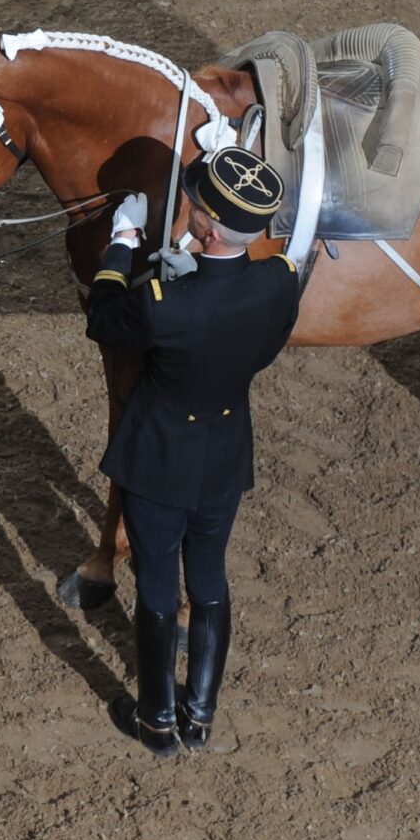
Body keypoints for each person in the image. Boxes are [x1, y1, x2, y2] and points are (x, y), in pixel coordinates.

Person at [85, 147, 305, 757]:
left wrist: (124, 243)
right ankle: (200, 715)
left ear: (204, 225)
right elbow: (265, 344)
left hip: (158, 460)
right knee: (208, 578)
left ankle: (156, 720)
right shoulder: (280, 281)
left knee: (157, 585)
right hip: (225, 453)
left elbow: (103, 316)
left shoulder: (163, 301)